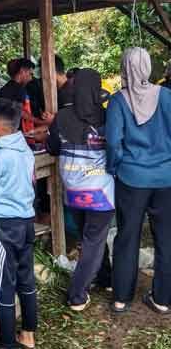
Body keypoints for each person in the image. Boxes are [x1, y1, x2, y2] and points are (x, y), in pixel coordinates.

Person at [105, 47, 171, 315]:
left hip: (131, 179)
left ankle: (121, 298)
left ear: (125, 67)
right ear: (147, 67)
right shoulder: (167, 96)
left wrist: (115, 168)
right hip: (166, 179)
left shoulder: (119, 101)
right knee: (166, 239)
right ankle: (163, 299)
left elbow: (112, 141)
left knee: (127, 236)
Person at [45, 68, 114, 311]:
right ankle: (77, 294)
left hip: (73, 191)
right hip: (101, 192)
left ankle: (106, 278)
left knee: (91, 236)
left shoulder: (62, 117)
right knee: (93, 240)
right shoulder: (107, 117)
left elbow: (52, 148)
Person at [0, 99, 38, 349]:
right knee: (26, 278)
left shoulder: (0, 157)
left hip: (5, 227)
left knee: (3, 284)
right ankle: (29, 334)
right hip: (26, 222)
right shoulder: (26, 151)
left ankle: (7, 344)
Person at [0, 58, 53, 144]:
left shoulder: (6, 89)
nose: (31, 78)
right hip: (13, 136)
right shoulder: (16, 89)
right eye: (30, 74)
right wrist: (41, 122)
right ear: (22, 71)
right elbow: (20, 112)